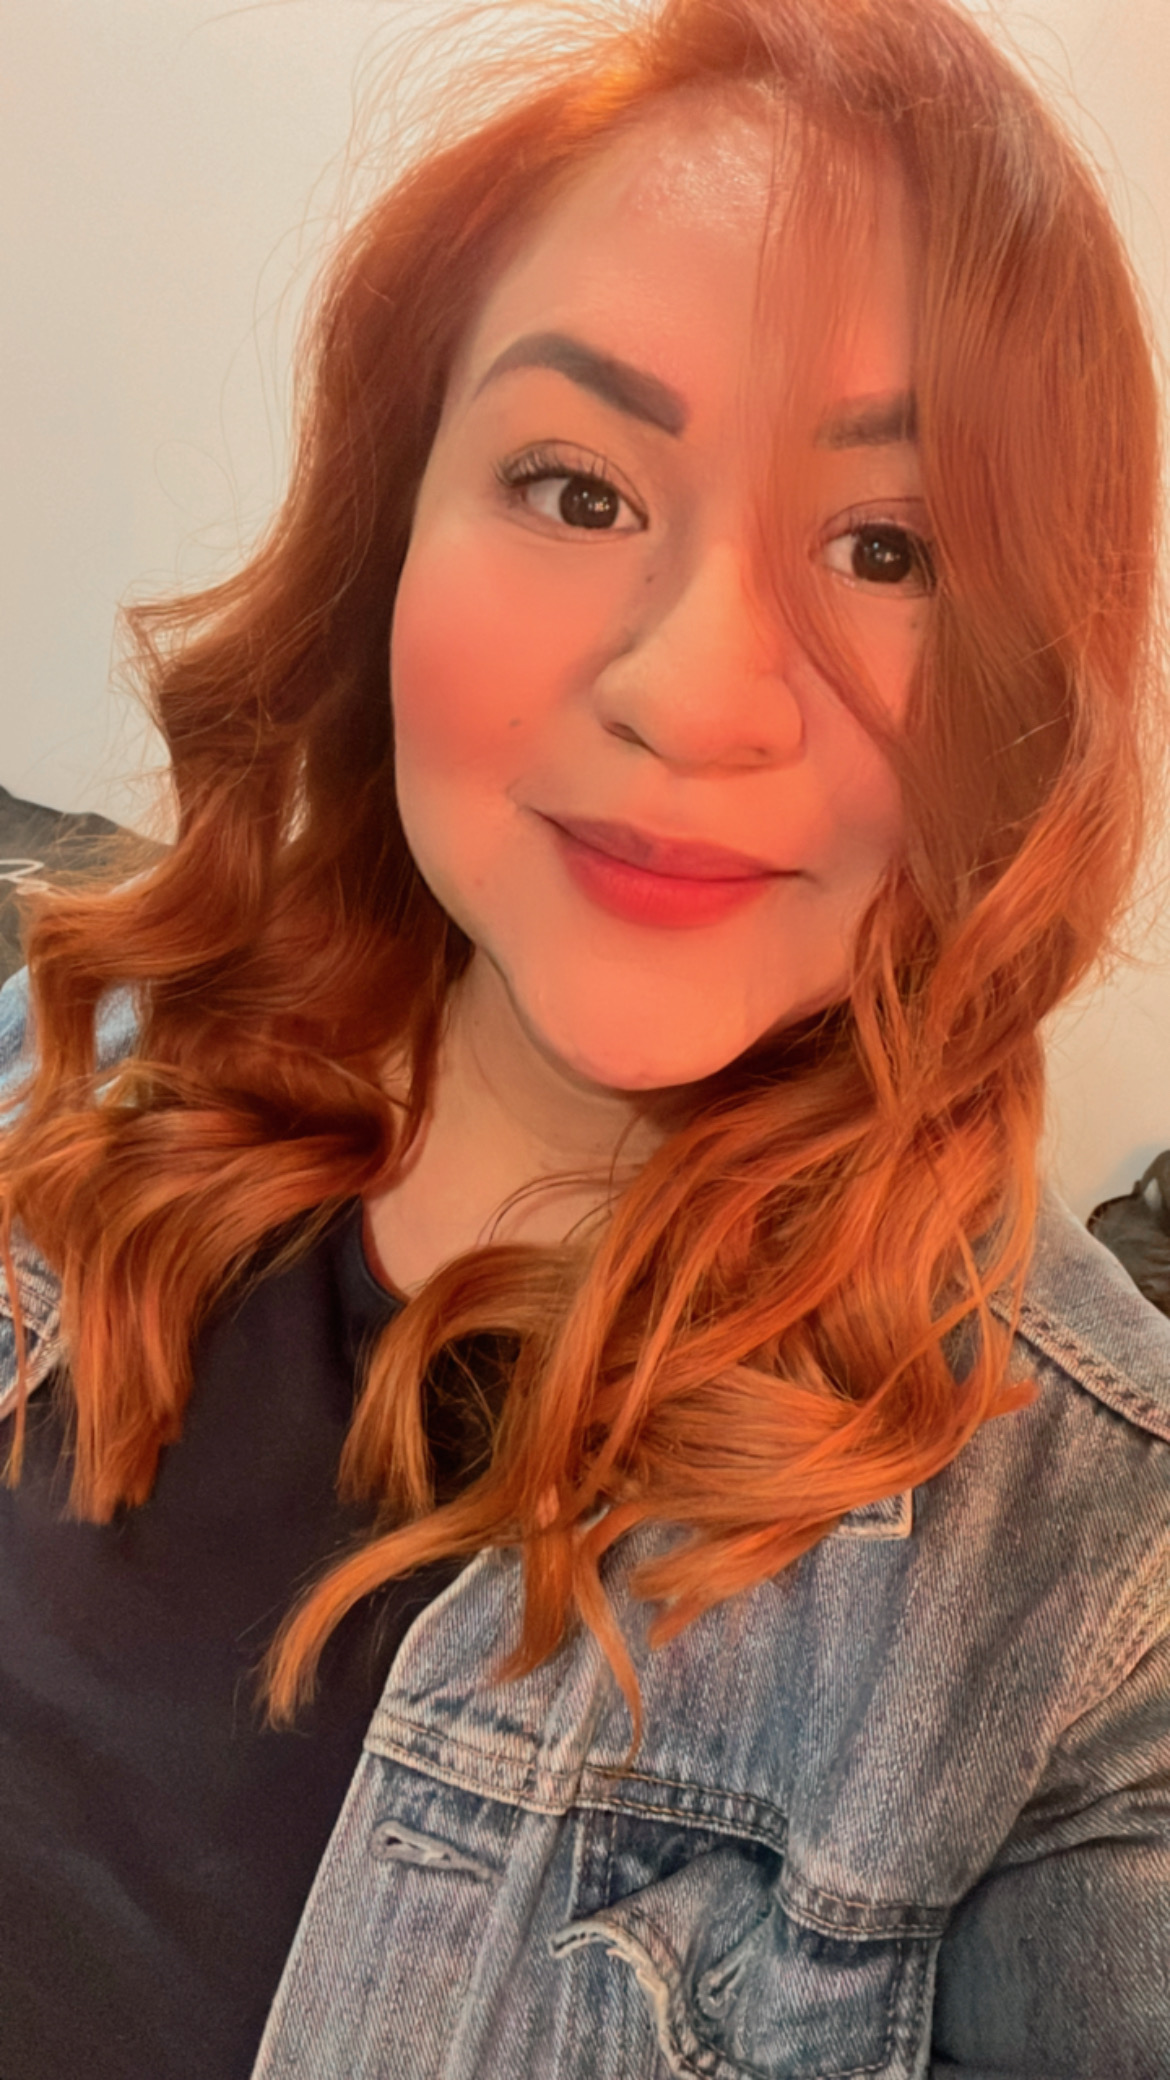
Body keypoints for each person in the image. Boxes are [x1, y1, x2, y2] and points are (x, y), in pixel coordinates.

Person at [0, 0, 1167, 2072]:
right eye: (576, 486)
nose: (693, 691)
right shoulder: (66, 1046)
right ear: (393, 521)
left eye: (886, 547)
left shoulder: (1087, 1588)